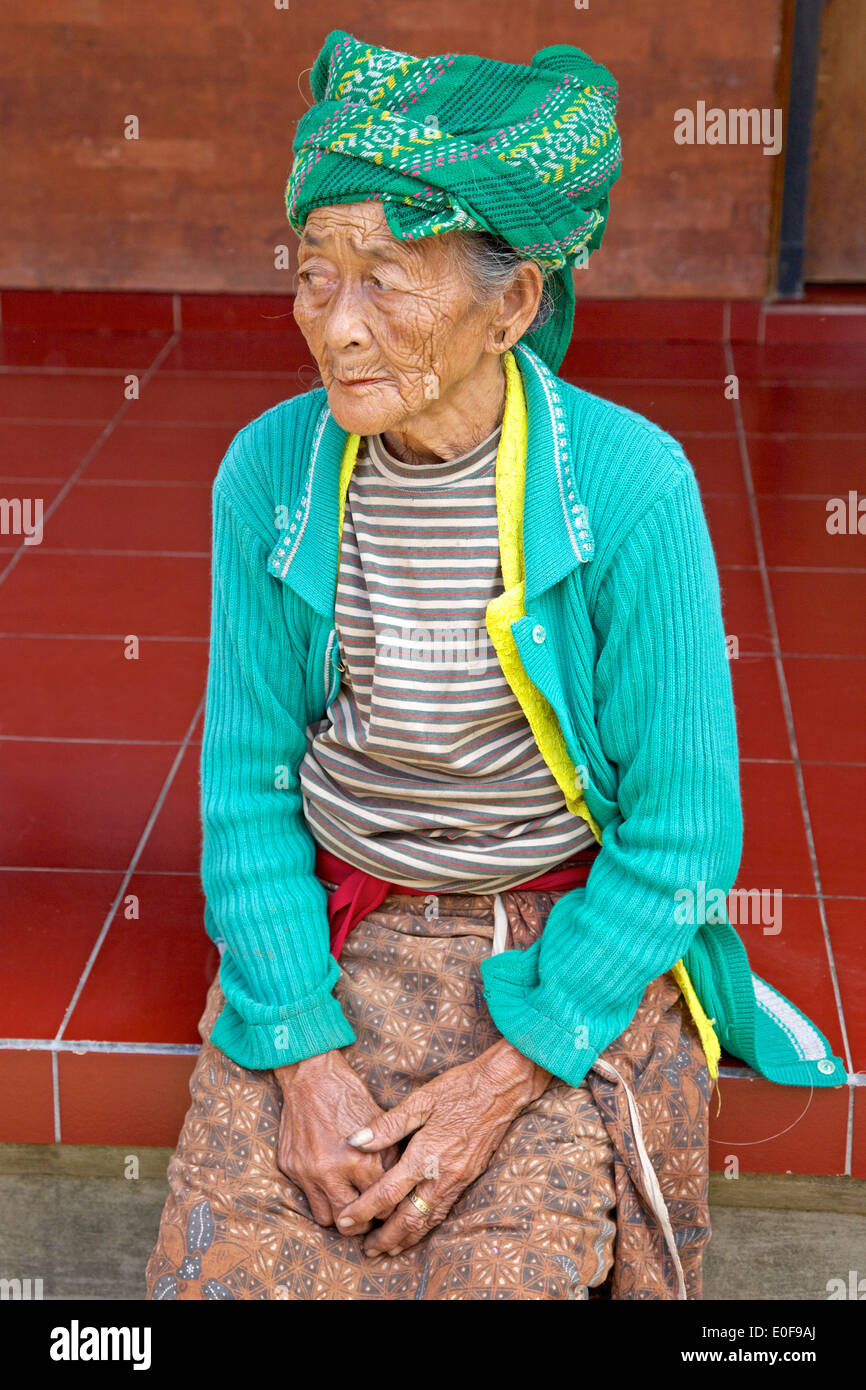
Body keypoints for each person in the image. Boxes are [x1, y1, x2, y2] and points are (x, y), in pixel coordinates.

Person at [146, 29, 844, 1302]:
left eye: (387, 278)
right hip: (343, 927)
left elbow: (682, 835)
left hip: (550, 932)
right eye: (313, 277)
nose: (336, 328)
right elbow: (245, 791)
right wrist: (302, 1055)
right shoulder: (269, 473)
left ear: (512, 303)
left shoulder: (627, 487)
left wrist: (508, 1071)